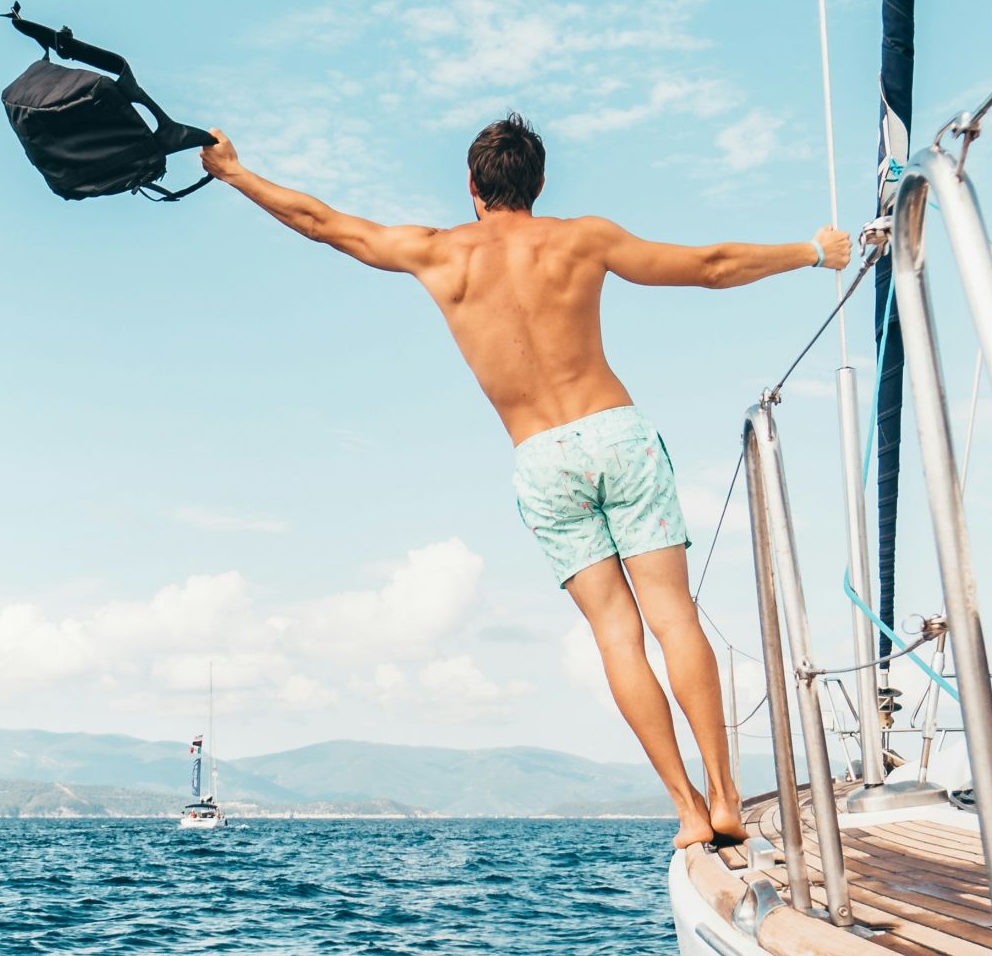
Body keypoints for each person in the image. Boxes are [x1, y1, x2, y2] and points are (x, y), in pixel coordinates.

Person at [199, 113, 851, 848]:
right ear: (538, 184)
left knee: (617, 635)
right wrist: (811, 251)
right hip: (616, 432)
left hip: (542, 456)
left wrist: (234, 172)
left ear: (473, 187)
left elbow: (320, 222)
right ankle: (728, 796)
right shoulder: (583, 239)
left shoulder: (437, 253)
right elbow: (710, 265)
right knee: (674, 616)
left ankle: (689, 813)